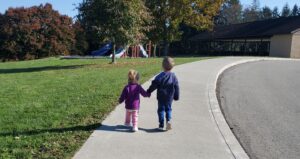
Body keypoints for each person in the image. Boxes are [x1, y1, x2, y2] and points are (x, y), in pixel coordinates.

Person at [147, 57, 180, 131]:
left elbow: (154, 85)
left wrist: (149, 91)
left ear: (162, 66)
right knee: (168, 109)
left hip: (161, 97)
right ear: (172, 67)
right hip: (169, 98)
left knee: (161, 110)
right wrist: (176, 96)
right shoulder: (173, 76)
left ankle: (161, 125)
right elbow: (176, 86)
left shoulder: (160, 76)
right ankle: (168, 121)